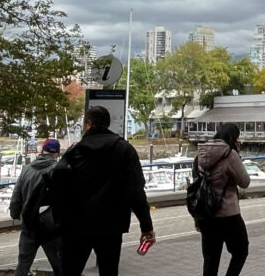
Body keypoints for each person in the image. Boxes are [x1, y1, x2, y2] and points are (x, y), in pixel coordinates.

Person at [54, 106, 155, 276]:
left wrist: (59, 220)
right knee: (109, 270)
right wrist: (146, 226)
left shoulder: (75, 151)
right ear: (107, 124)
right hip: (111, 225)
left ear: (89, 123)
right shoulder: (124, 149)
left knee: (70, 271)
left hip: (76, 224)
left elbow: (58, 183)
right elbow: (136, 191)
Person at [193, 123, 251, 276]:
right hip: (227, 215)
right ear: (234, 138)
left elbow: (196, 186)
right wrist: (237, 155)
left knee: (210, 260)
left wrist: (197, 217)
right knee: (241, 250)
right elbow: (245, 182)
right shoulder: (230, 155)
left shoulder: (200, 154)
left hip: (206, 214)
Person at [9, 139, 63, 276]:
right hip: (50, 225)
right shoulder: (58, 170)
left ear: (42, 150)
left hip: (29, 223)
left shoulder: (27, 169)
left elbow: (16, 196)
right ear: (57, 153)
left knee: (23, 263)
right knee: (59, 263)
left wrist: (16, 214)